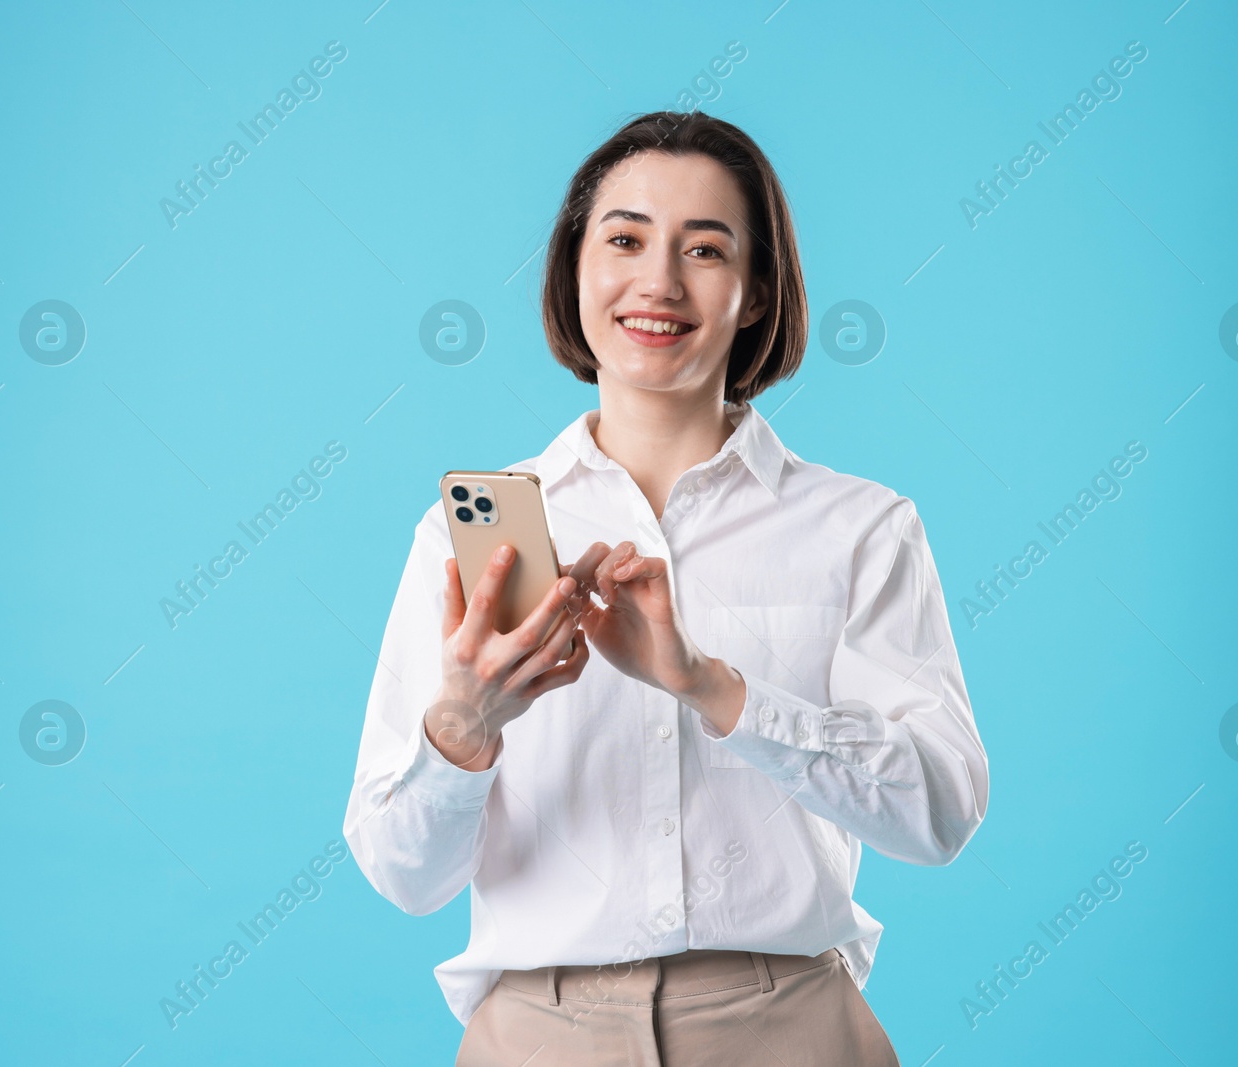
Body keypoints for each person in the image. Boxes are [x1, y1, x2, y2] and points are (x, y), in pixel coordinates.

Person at [342, 110, 989, 1066]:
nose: (659, 282)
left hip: (791, 1029)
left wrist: (709, 685)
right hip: (536, 1036)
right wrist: (465, 729)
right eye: (626, 240)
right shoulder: (464, 536)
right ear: (573, 268)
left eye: (706, 249)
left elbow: (939, 814)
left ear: (758, 291)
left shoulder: (861, 528)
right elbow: (404, 876)